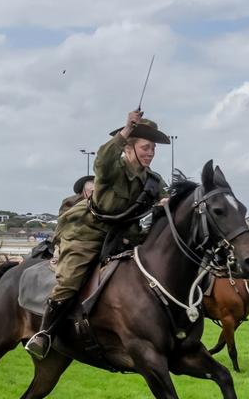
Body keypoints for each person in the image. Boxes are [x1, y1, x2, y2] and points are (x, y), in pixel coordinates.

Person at [26, 110, 170, 359]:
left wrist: (167, 204)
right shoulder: (112, 169)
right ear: (128, 147)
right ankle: (45, 333)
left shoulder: (153, 181)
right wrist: (126, 129)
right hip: (88, 233)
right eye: (146, 147)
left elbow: (163, 198)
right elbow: (103, 160)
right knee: (70, 280)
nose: (151, 153)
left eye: (153, 149)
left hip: (127, 235)